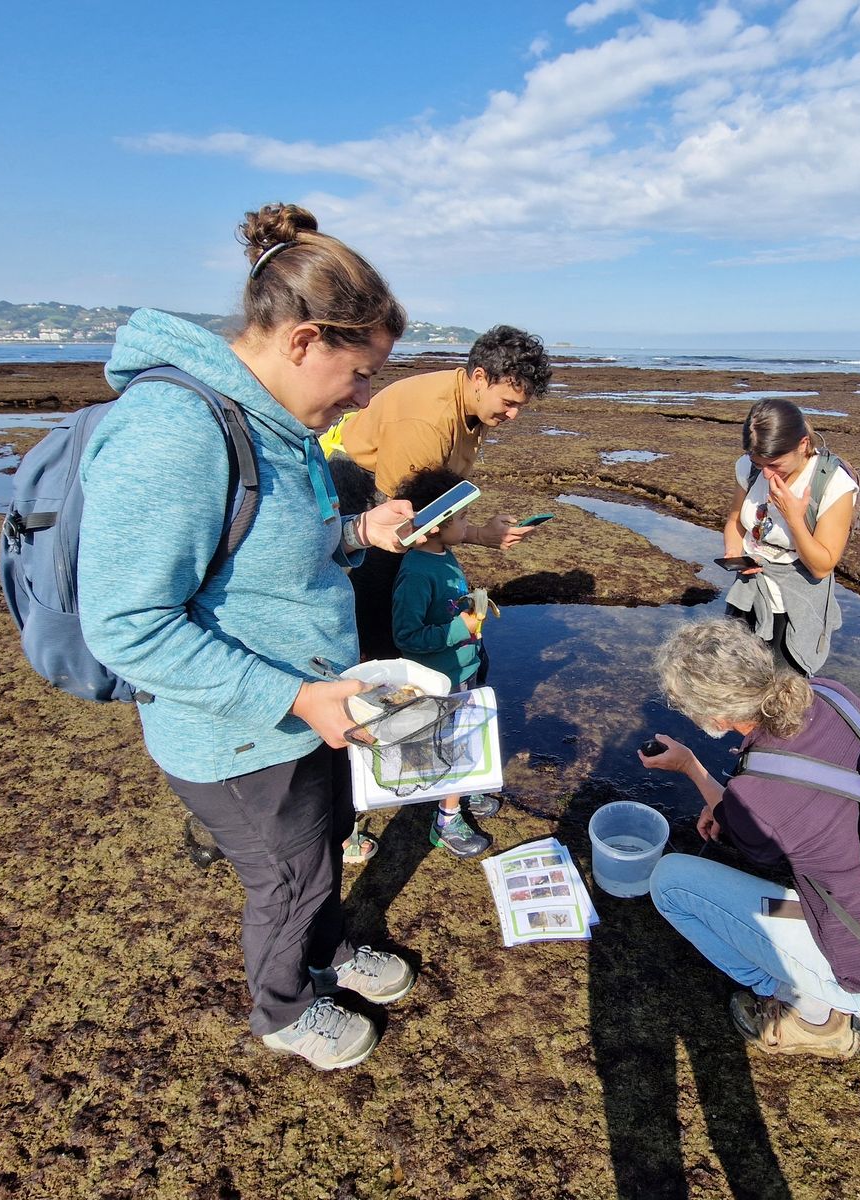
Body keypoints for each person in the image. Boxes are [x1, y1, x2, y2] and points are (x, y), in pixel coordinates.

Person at [78, 203, 420, 1071]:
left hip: (306, 709)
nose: (366, 396)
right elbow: (125, 623)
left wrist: (355, 534)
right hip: (236, 732)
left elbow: (272, 549)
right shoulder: (174, 432)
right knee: (285, 877)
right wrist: (296, 696)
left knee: (321, 851)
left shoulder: (280, 422)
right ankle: (284, 1010)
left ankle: (327, 951)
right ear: (303, 340)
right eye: (361, 371)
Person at [638, 618, 860, 1060]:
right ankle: (814, 990)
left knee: (670, 881)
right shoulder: (831, 694)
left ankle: (808, 1010)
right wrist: (732, 801)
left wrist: (691, 767)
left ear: (715, 717)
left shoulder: (759, 796)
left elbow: (744, 822)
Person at [322, 324, 552, 660]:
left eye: (520, 405)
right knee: (380, 597)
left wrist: (479, 531)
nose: (513, 414)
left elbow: (440, 499)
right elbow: (416, 523)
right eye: (508, 402)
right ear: (479, 377)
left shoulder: (476, 406)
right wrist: (479, 535)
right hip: (365, 483)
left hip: (406, 490)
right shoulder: (428, 422)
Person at [391, 467, 499, 858]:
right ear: (436, 526)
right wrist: (458, 630)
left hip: (464, 669)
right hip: (441, 680)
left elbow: (451, 609)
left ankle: (464, 788)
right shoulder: (417, 573)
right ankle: (446, 820)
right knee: (455, 745)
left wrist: (471, 611)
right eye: (463, 519)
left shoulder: (444, 554)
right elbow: (407, 637)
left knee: (468, 737)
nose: (469, 525)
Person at [721, 398, 858, 676]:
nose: (768, 474)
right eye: (759, 463)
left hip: (794, 607)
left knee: (782, 695)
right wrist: (734, 555)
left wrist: (795, 518)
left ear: (803, 444)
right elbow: (736, 521)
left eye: (775, 464)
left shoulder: (834, 484)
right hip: (749, 593)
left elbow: (822, 566)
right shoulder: (749, 469)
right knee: (735, 682)